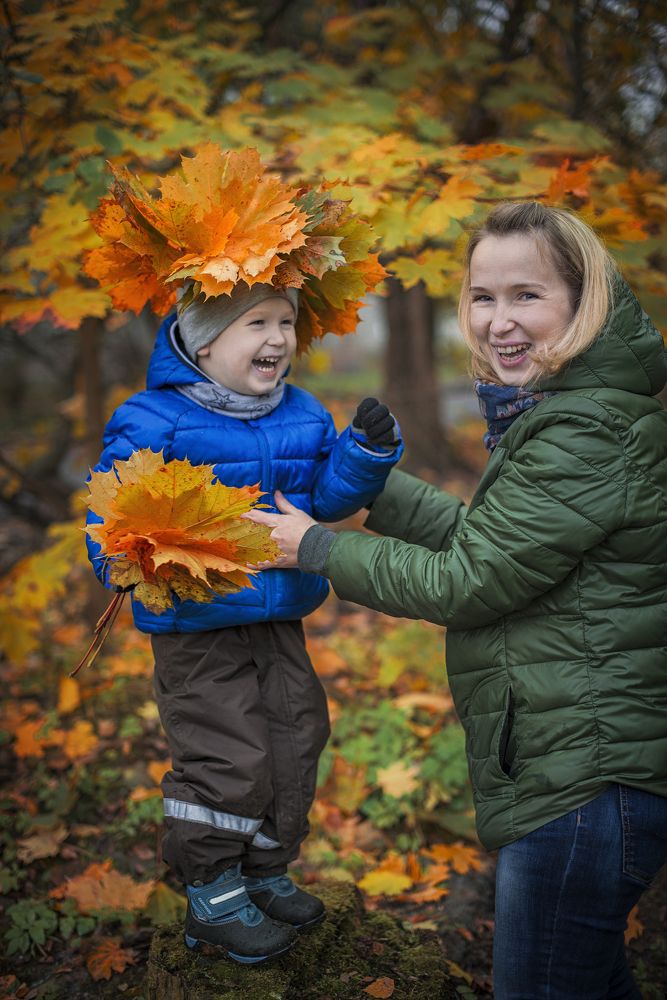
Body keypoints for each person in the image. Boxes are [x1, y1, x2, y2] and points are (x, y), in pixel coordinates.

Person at [245, 201, 667, 998]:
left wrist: (314, 547)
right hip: (581, 772)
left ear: (585, 302)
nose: (499, 322)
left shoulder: (583, 435)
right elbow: (493, 547)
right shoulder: (575, 414)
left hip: (583, 782)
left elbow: (465, 583)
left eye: (526, 295)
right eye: (482, 297)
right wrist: (370, 484)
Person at [85, 169, 403, 961]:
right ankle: (210, 888)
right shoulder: (153, 418)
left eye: (284, 322)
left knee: (297, 739)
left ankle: (263, 868)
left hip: (281, 615)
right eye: (254, 322)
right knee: (227, 754)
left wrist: (363, 455)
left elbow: (323, 502)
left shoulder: (299, 412)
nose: (275, 339)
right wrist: (123, 562)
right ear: (200, 339)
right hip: (197, 629)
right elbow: (112, 518)